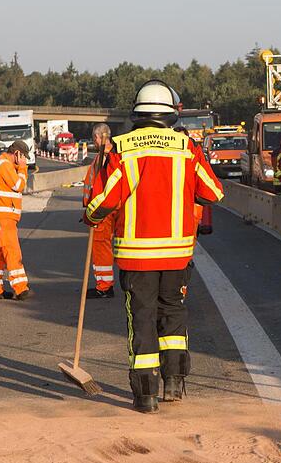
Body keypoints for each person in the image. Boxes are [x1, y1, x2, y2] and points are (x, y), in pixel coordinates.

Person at [85, 80, 224, 413]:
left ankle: (146, 396)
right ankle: (174, 383)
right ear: (170, 113)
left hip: (137, 255)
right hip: (177, 254)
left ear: (138, 112)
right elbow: (213, 192)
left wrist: (90, 215)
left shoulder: (122, 147)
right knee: (173, 314)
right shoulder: (187, 147)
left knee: (142, 318)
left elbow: (106, 199)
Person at [0, 139, 32, 300]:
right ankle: (20, 288)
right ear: (17, 154)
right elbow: (18, 185)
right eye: (23, 157)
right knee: (12, 250)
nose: (24, 160)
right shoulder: (4, 164)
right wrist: (23, 168)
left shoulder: (2, 163)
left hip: (0, 214)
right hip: (3, 216)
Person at [82, 123, 116, 299]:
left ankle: (104, 286)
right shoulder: (111, 154)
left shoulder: (105, 157)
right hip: (103, 208)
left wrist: (93, 210)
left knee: (101, 246)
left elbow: (100, 186)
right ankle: (104, 284)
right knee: (103, 246)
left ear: (97, 137)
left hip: (101, 210)